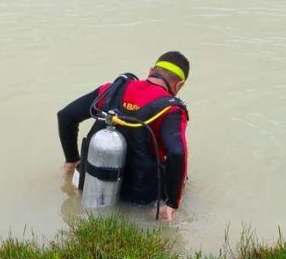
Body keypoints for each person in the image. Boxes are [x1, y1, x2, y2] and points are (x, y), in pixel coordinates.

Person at [57, 52, 190, 221]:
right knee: (184, 179)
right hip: (139, 196)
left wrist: (71, 161)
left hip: (93, 182)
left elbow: (66, 116)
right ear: (180, 84)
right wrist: (172, 203)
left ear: (150, 71)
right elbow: (177, 153)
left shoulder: (113, 89)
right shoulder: (171, 109)